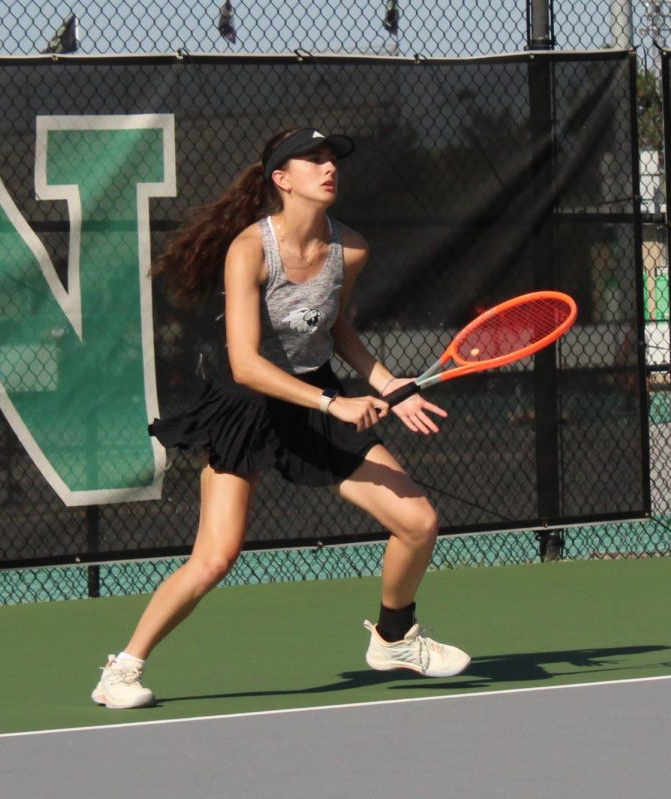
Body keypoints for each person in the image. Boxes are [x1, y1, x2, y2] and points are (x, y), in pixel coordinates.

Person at [91, 126, 470, 709]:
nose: (328, 168)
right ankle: (122, 669)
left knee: (418, 521)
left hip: (317, 399)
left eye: (332, 159)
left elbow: (336, 329)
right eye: (312, 160)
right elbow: (244, 364)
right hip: (249, 407)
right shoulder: (249, 249)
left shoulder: (352, 248)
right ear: (281, 179)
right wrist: (334, 403)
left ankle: (395, 637)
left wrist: (390, 385)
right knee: (214, 558)